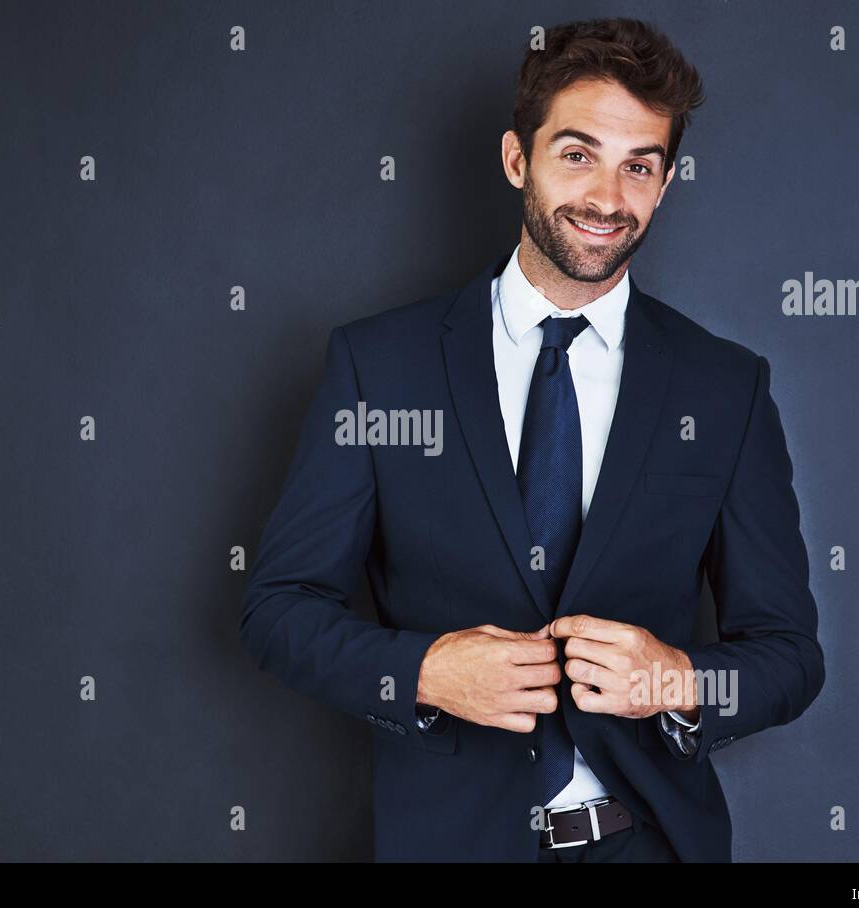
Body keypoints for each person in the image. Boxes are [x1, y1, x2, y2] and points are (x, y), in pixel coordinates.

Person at [239, 16, 825, 862]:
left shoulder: (726, 387)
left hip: (650, 844)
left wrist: (680, 680)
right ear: (519, 158)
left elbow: (789, 656)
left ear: (664, 185)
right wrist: (425, 673)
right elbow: (278, 611)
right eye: (579, 154)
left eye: (640, 166)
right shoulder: (380, 365)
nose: (607, 198)